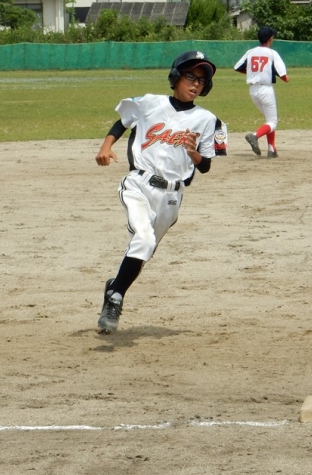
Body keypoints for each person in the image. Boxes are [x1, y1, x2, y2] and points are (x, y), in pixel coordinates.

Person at [94, 50, 227, 334]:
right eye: (190, 76)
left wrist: (194, 154)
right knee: (143, 239)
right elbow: (122, 122)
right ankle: (116, 299)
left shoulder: (209, 120)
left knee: (143, 251)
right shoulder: (149, 103)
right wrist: (106, 146)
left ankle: (114, 288)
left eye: (202, 80)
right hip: (139, 184)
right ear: (176, 76)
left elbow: (206, 166)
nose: (195, 84)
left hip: (172, 197)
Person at [234, 26, 290, 158]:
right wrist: (286, 79)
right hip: (266, 90)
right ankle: (254, 136)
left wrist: (254, 73)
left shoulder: (250, 52)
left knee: (269, 120)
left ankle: (272, 149)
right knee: (272, 122)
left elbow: (237, 67)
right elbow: (283, 75)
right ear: (270, 39)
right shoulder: (272, 53)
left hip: (253, 90)